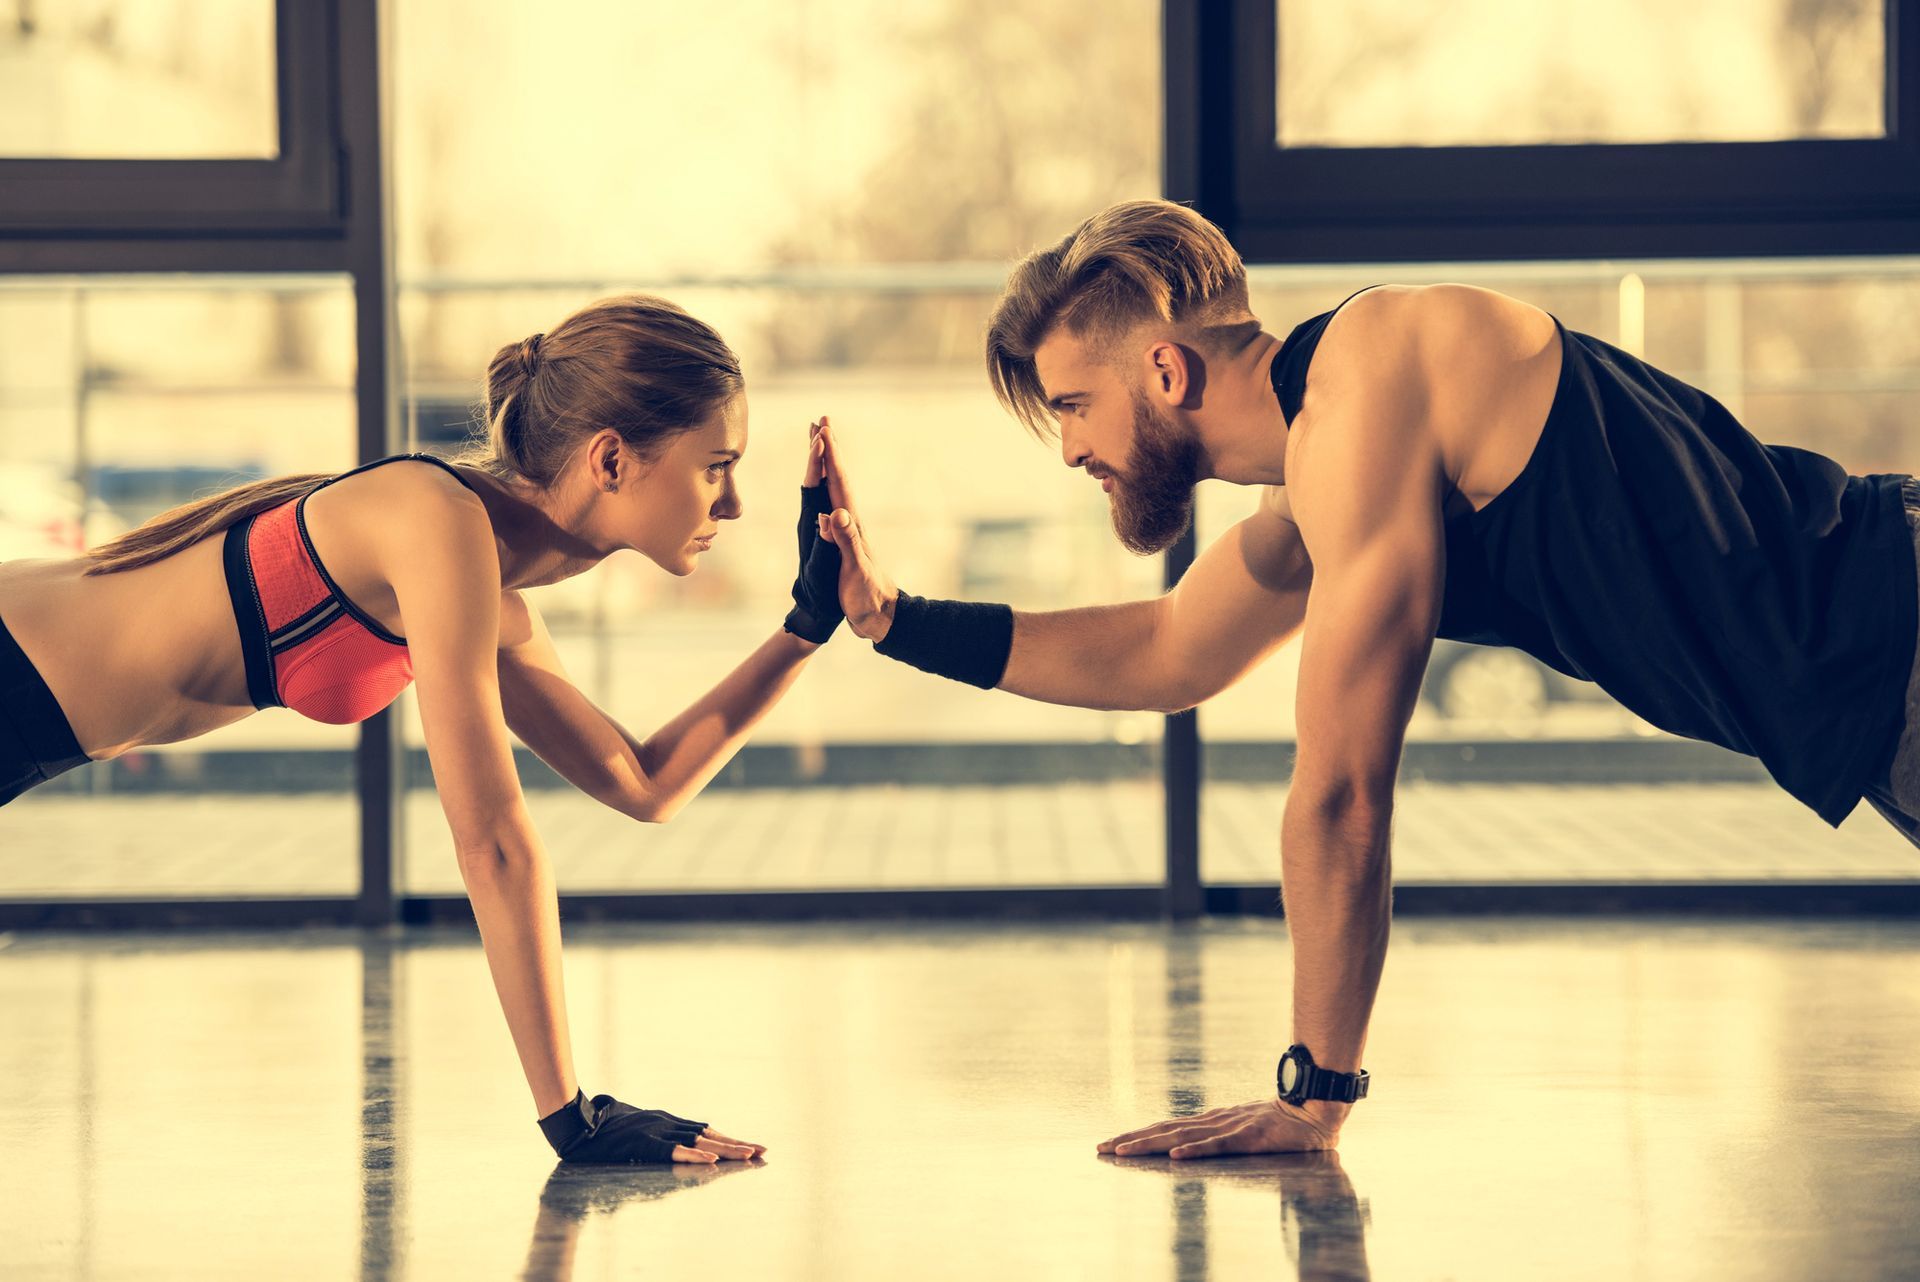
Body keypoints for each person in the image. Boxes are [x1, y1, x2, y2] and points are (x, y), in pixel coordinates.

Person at [807, 198, 1920, 1159]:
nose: (1068, 449)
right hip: (1876, 689)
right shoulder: (1321, 463)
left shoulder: (1374, 376)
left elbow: (1340, 794)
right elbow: (1166, 652)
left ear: (1161, 367)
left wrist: (1316, 1092)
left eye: (1071, 405)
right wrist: (893, 618)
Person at [0, 294, 850, 1165]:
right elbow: (493, 841)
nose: (737, 502)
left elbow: (644, 782)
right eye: (717, 466)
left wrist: (806, 625)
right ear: (611, 460)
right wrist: (572, 1118)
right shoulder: (434, 519)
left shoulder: (488, 591)